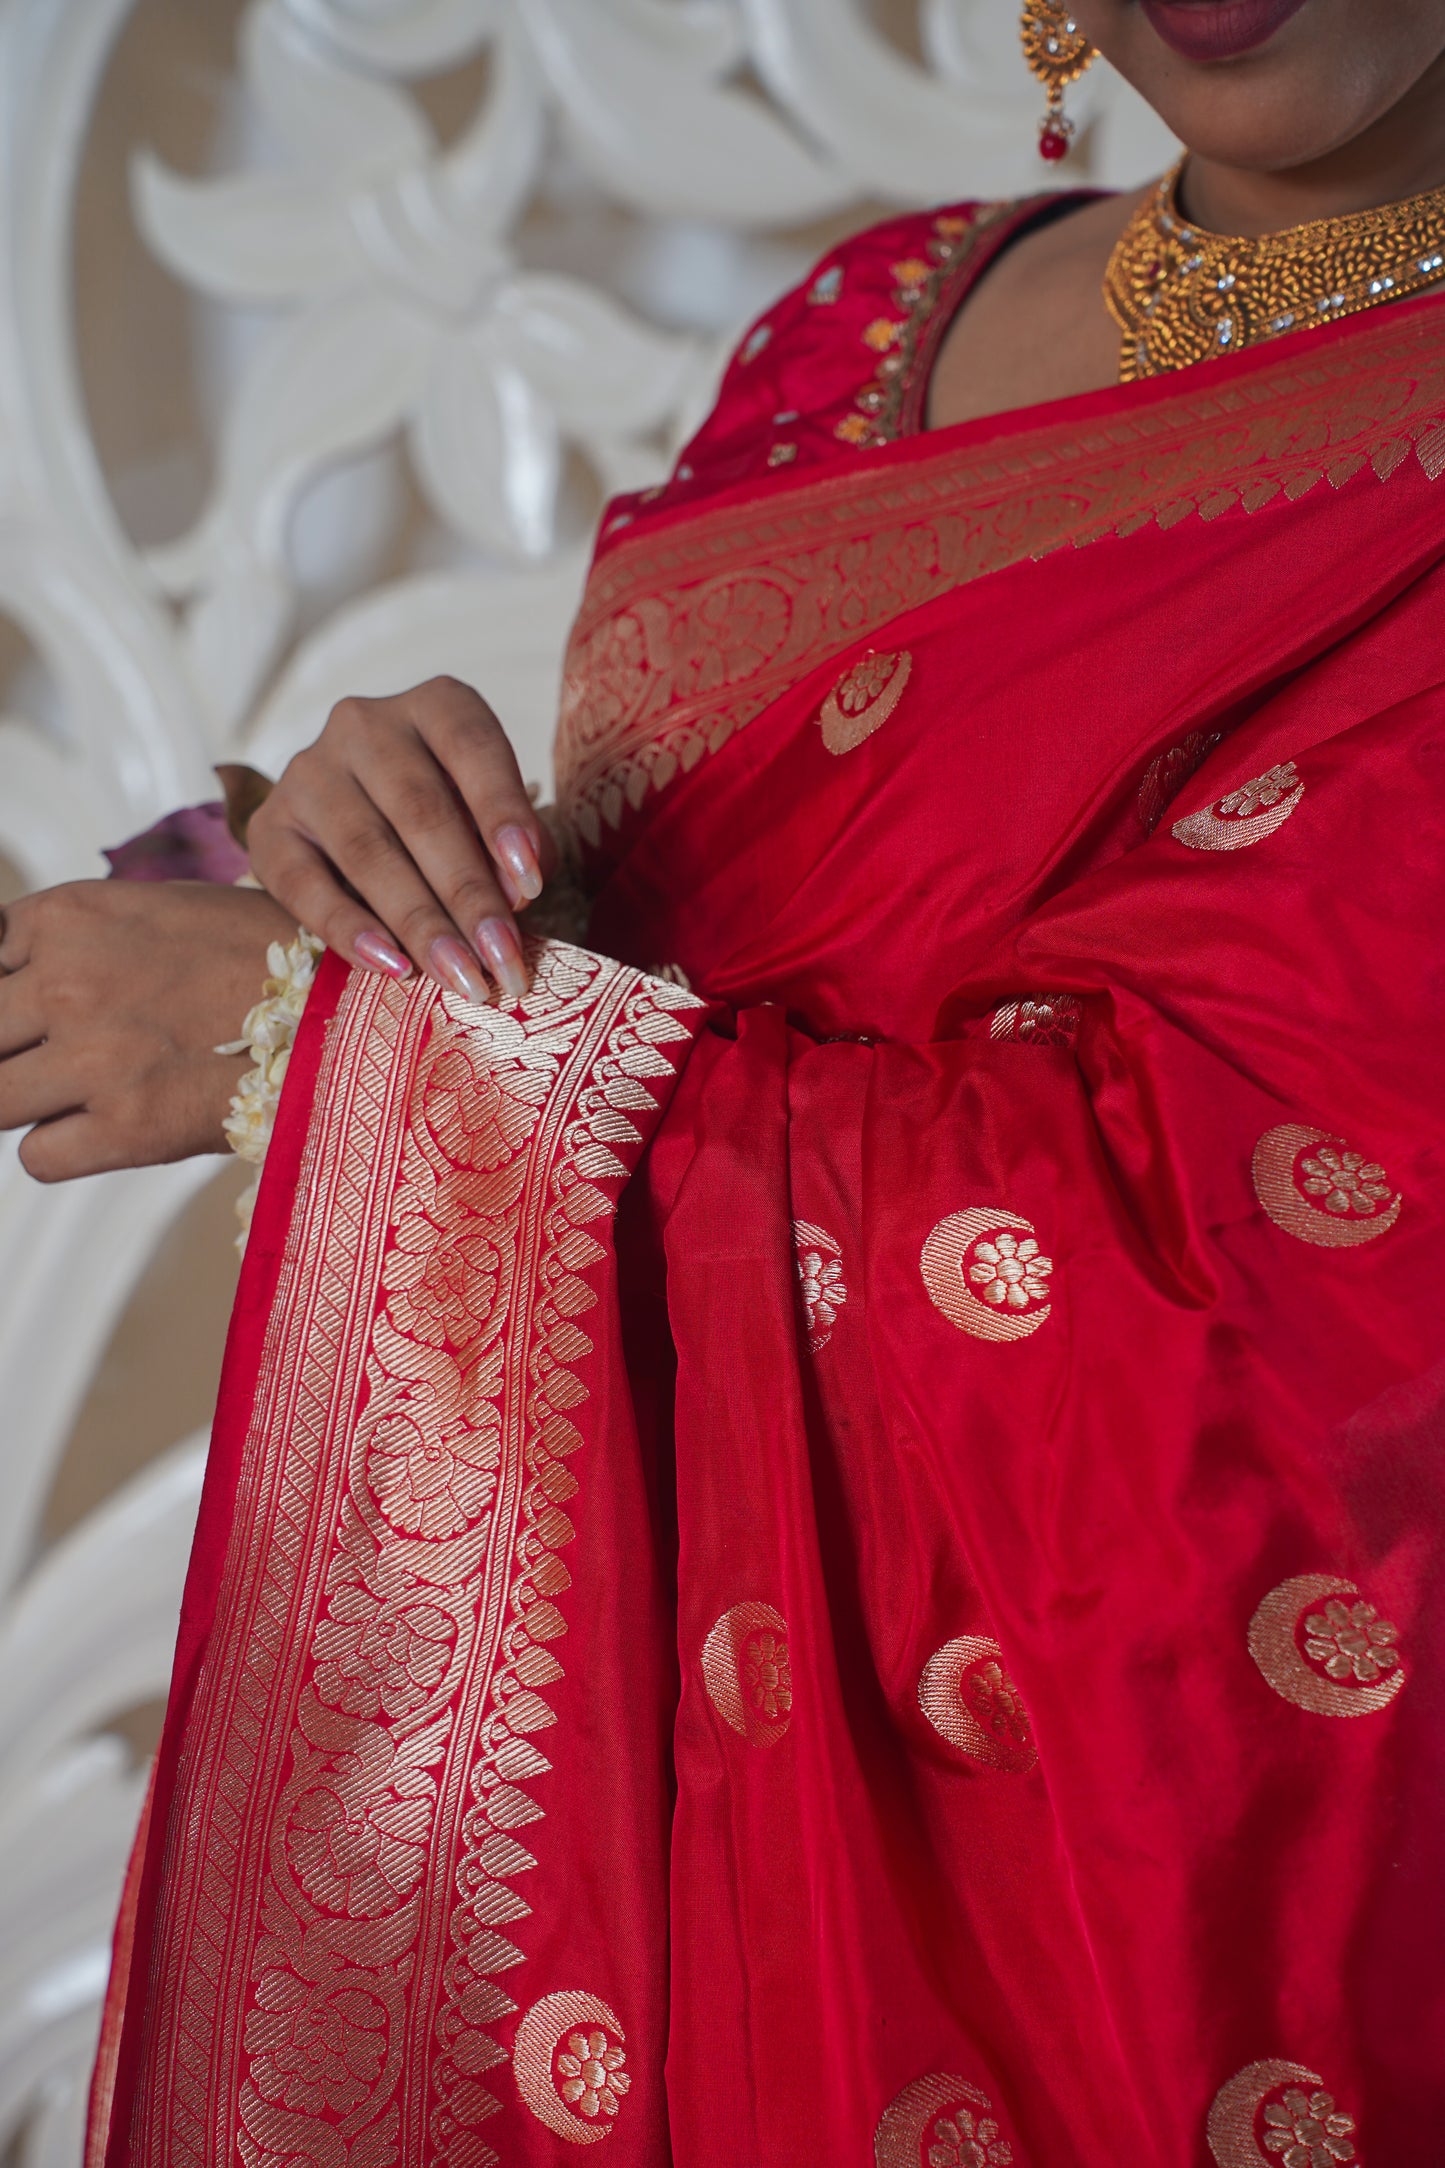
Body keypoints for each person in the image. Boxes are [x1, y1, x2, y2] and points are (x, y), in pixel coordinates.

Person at [3, 0, 1443, 2158]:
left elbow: (1271, 1288)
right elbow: (657, 1000)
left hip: (1154, 1919)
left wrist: (319, 1041)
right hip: (656, 1880)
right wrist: (376, 872)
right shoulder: (859, 326)